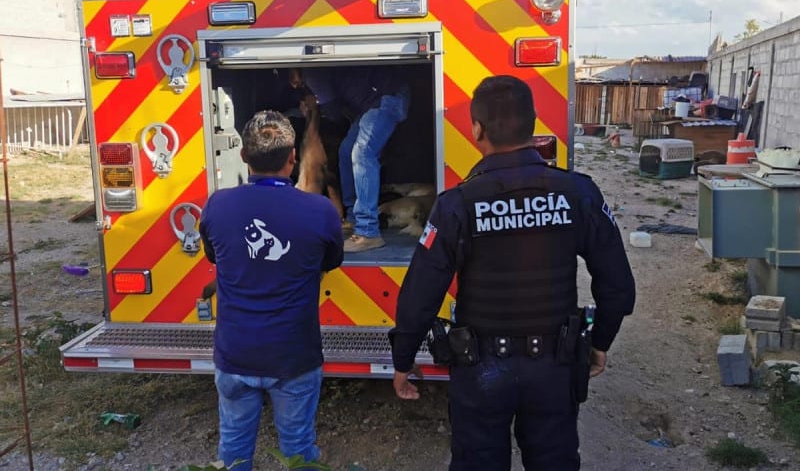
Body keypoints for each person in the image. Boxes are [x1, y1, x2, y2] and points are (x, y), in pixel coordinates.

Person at [389, 75, 636, 470]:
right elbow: (618, 285)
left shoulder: (456, 205)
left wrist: (403, 359)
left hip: (481, 371)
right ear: (533, 123)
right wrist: (600, 340)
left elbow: (421, 292)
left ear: (476, 130)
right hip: (555, 367)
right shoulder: (579, 193)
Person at [199, 110, 344, 471]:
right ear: (292, 157)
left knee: (233, 448)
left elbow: (215, 256)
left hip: (234, 354)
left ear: (243, 156)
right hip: (294, 357)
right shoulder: (321, 210)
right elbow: (332, 260)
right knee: (297, 449)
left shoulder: (217, 204)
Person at [303, 67, 410, 253]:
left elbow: (333, 112)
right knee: (346, 152)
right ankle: (354, 219)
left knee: (362, 153)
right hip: (374, 102)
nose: (293, 83)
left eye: (292, 76)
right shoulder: (313, 73)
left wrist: (313, 110)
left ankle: (368, 231)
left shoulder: (312, 72)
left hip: (387, 98)